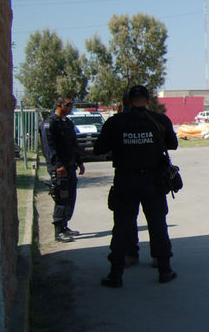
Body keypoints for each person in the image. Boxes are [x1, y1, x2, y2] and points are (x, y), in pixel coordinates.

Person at [94, 84, 179, 288]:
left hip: (126, 181)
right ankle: (165, 270)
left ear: (128, 101)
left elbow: (99, 148)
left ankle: (115, 274)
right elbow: (173, 144)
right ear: (148, 101)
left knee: (122, 227)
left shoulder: (116, 122)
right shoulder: (159, 120)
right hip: (153, 181)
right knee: (158, 225)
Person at [39, 95, 86, 243]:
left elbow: (74, 145)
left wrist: (80, 162)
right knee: (61, 196)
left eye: (71, 105)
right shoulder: (49, 124)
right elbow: (49, 148)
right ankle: (58, 230)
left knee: (70, 197)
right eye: (68, 105)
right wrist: (58, 165)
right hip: (59, 167)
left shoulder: (68, 123)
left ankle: (65, 226)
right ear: (59, 105)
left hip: (70, 166)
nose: (71, 107)